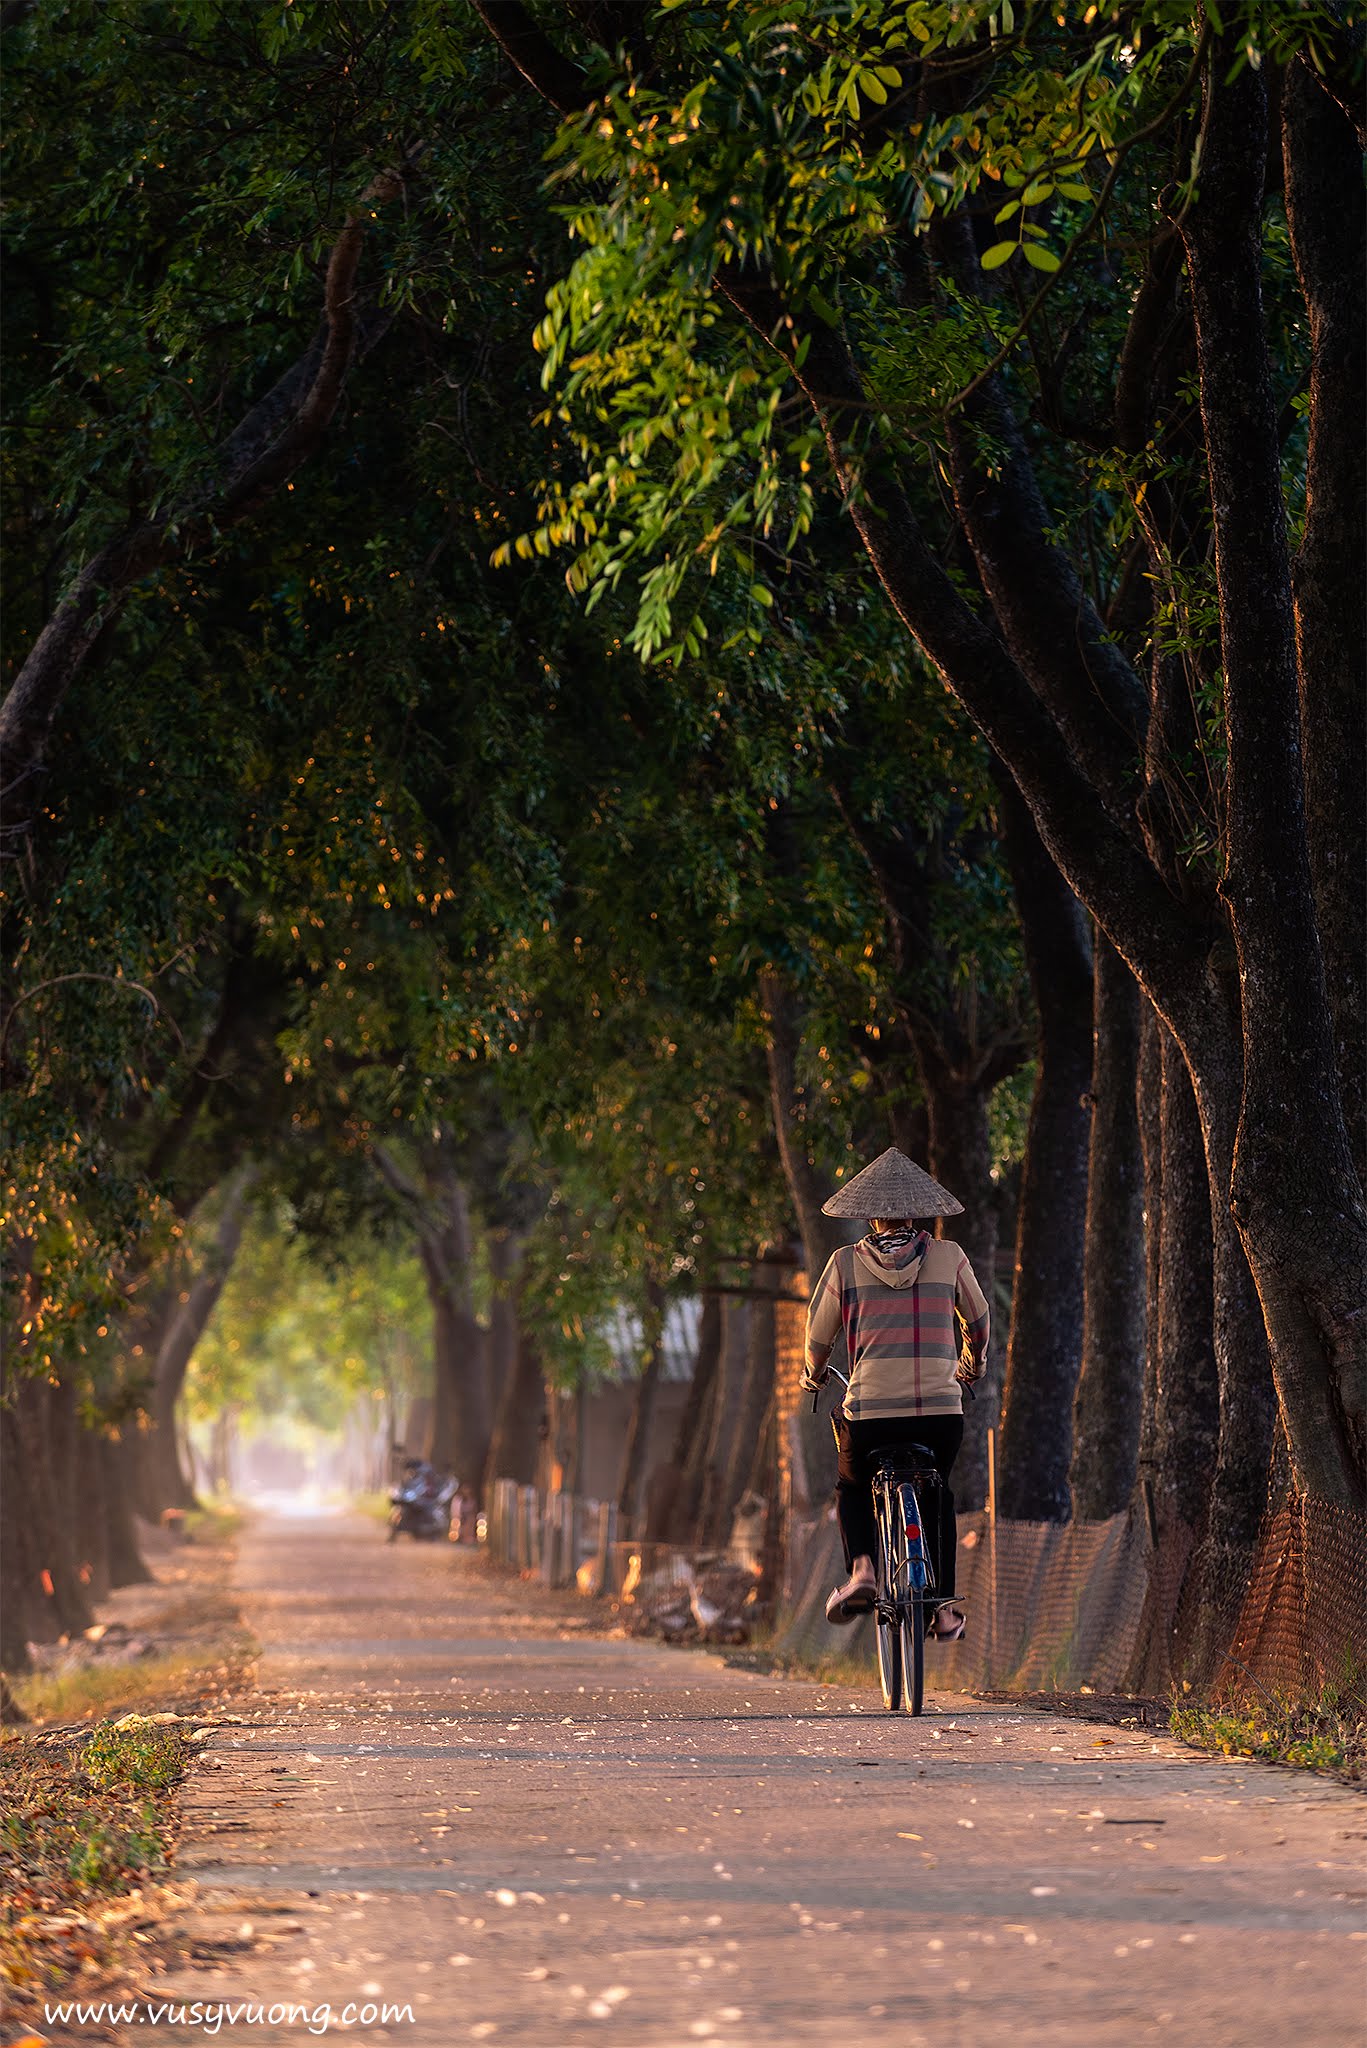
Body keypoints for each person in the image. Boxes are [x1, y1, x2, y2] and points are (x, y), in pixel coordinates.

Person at [799, 1146, 990, 1638]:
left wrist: (813, 1373)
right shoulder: (949, 1256)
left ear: (872, 1217)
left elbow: (818, 1340)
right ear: (916, 1211)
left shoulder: (844, 1264)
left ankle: (862, 1570)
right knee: (939, 1494)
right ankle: (942, 1609)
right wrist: (973, 1362)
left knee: (852, 1484)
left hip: (871, 1415)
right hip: (940, 1414)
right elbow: (980, 1318)